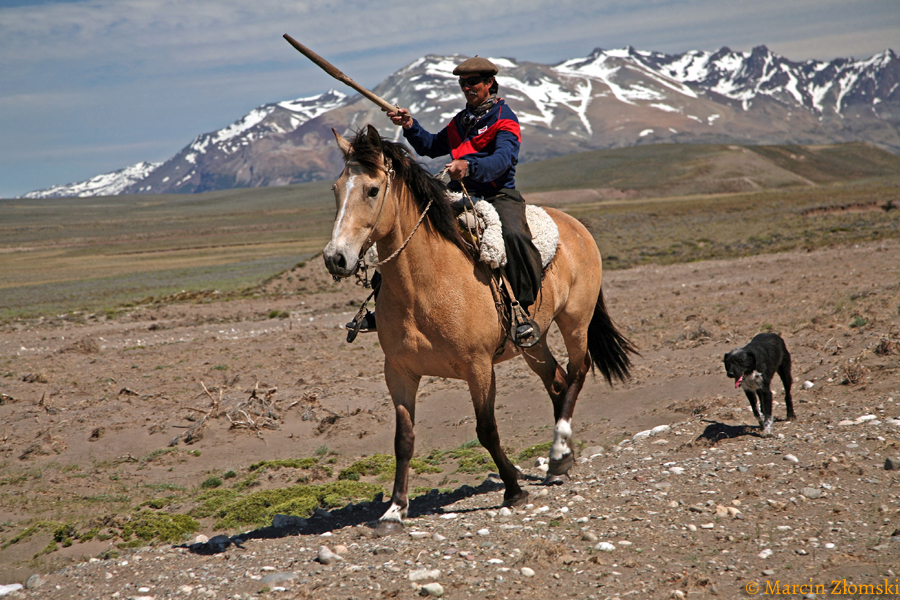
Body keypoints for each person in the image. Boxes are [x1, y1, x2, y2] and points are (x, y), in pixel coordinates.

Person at [347, 56, 543, 346]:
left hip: (498, 194)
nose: (467, 88)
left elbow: (503, 160)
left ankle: (521, 312)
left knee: (513, 235)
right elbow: (430, 146)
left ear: (489, 83)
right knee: (407, 233)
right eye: (463, 83)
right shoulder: (462, 121)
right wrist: (410, 125)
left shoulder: (505, 119)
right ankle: (383, 306)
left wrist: (469, 166)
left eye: (473, 82)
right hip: (459, 194)